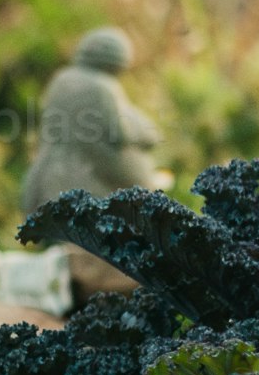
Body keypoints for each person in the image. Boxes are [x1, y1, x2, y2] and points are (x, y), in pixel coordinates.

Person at [20, 27, 172, 294]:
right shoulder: (103, 86)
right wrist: (147, 132)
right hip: (87, 184)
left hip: (50, 177)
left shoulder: (62, 80)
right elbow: (119, 130)